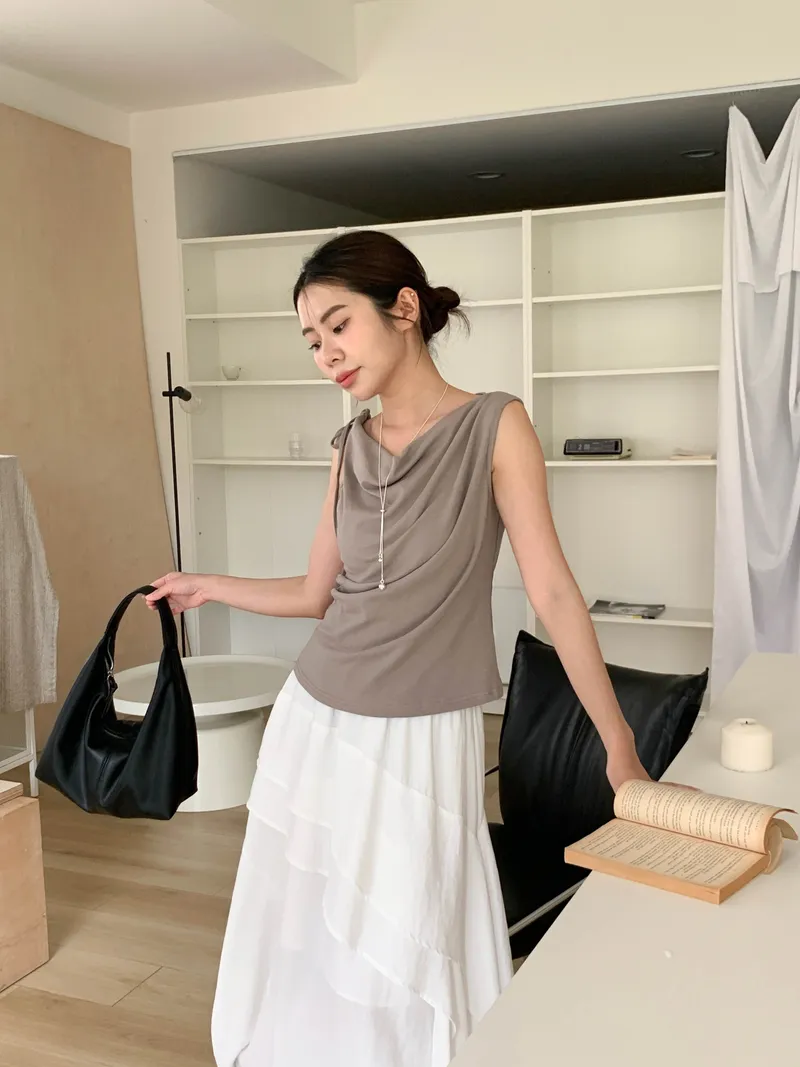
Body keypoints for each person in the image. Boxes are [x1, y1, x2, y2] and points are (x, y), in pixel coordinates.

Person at [146, 230, 651, 1067]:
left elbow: (554, 594)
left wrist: (618, 743)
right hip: (319, 717)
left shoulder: (496, 424)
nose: (326, 354)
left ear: (404, 308)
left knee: (413, 922)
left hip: (423, 728)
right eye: (312, 340)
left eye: (338, 325)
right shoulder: (347, 448)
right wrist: (210, 585)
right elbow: (317, 594)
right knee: (320, 924)